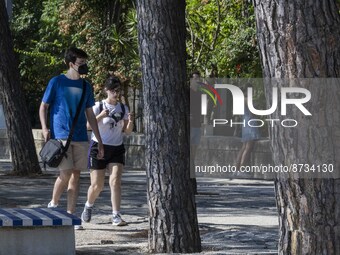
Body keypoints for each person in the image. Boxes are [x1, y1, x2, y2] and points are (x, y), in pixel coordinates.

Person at [39, 47, 104, 226]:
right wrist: (45, 128)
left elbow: (90, 113)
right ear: (71, 64)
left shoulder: (86, 86)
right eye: (80, 63)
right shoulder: (57, 82)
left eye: (85, 63)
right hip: (61, 135)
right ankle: (53, 203)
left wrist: (98, 138)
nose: (84, 66)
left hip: (81, 136)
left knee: (76, 175)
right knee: (65, 173)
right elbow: (43, 106)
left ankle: (71, 215)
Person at [81, 76, 134, 226]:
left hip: (117, 147)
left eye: (118, 90)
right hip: (98, 146)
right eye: (112, 90)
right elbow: (87, 126)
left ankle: (116, 215)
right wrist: (100, 116)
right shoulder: (98, 106)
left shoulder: (123, 108)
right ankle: (88, 206)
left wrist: (130, 122)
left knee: (115, 181)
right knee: (97, 186)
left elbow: (127, 131)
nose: (115, 93)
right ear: (106, 90)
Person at [235, 86, 261, 170]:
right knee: (248, 147)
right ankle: (241, 169)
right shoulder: (246, 99)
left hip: (246, 123)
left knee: (244, 147)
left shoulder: (242, 99)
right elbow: (253, 111)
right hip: (250, 123)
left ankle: (237, 169)